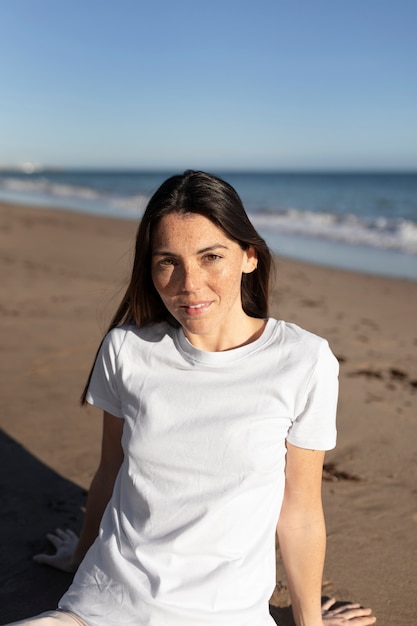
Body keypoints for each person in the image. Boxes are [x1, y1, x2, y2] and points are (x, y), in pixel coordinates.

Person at [8, 171, 376, 626]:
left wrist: (309, 623)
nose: (189, 284)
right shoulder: (127, 349)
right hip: (101, 608)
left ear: (249, 257)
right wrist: (80, 557)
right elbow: (110, 471)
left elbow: (299, 513)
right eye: (169, 261)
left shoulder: (303, 361)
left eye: (210, 257)